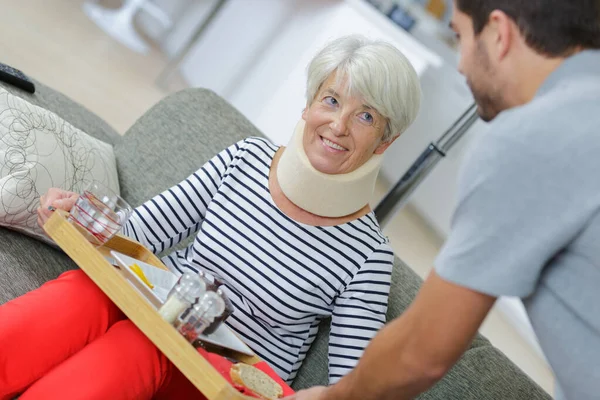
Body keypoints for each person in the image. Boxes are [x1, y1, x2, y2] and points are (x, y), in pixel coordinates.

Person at [0, 34, 422, 399]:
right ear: (309, 106)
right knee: (86, 292)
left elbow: (355, 388)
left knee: (143, 344)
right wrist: (82, 214)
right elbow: (138, 235)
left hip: (219, 377)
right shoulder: (245, 158)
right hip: (160, 307)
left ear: (385, 142)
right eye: (331, 101)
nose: (339, 124)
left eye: (365, 116)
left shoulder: (367, 255)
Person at [287, 1, 600, 400]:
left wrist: (331, 398)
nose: (461, 64)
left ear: (498, 34)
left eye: (460, 37)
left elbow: (421, 351)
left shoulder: (536, 137)